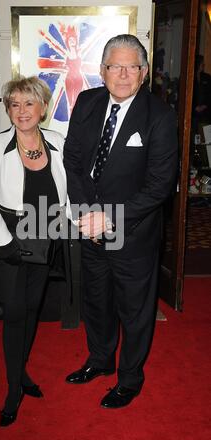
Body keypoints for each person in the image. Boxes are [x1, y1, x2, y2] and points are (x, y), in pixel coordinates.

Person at [63, 34, 178, 409]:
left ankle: (130, 378)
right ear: (102, 71)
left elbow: (160, 185)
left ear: (144, 74)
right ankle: (99, 361)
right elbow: (73, 161)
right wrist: (85, 213)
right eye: (116, 66)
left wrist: (107, 219)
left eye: (133, 67)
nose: (124, 74)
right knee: (96, 300)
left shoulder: (160, 116)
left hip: (132, 234)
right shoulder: (87, 101)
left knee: (134, 309)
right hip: (89, 228)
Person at [0, 76, 68, 426]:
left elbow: (68, 194)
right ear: (8, 110)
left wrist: (85, 226)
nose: (21, 111)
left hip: (45, 235)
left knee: (31, 309)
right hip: (10, 237)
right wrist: (4, 245)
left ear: (42, 108)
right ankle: (13, 388)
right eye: (14, 104)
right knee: (15, 312)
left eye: (29, 103)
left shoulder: (57, 142)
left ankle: (21, 371)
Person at [192, 54, 211, 129]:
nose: (203, 64)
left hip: (206, 113)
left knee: (205, 136)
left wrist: (205, 105)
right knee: (194, 134)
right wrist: (195, 107)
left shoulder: (207, 77)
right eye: (202, 63)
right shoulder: (189, 76)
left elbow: (209, 93)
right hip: (193, 112)